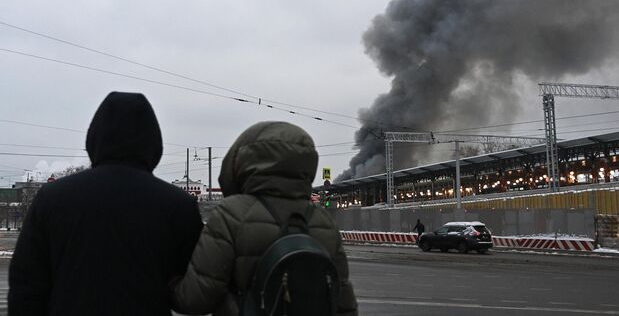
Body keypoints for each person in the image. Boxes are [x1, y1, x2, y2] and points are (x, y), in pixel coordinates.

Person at [8, 92, 204, 315]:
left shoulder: (51, 198)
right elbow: (192, 291)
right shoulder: (179, 205)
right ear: (153, 142)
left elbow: (26, 285)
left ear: (94, 138)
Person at [171, 121, 358, 316]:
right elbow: (343, 303)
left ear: (243, 161)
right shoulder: (323, 221)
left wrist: (165, 284)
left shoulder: (232, 214)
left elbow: (195, 299)